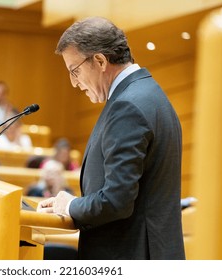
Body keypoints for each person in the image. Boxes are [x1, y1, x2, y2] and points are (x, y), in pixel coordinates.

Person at [37, 17, 185, 260]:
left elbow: (116, 200)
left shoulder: (127, 106)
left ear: (99, 60)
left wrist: (70, 205)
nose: (74, 83)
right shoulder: (150, 94)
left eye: (75, 71)